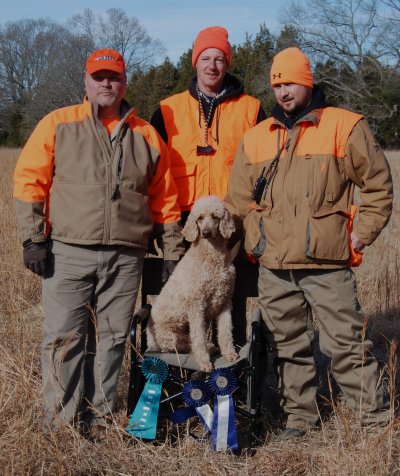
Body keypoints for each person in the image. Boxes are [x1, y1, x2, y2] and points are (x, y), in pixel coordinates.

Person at [13, 48, 184, 439]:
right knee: (63, 338)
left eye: (114, 77)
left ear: (125, 82)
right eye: (99, 76)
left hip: (127, 255)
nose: (106, 83)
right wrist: (33, 238)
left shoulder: (146, 135)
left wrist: (172, 250)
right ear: (86, 81)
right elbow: (28, 182)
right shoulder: (58, 124)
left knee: (112, 340)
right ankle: (59, 426)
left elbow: (165, 197)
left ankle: (100, 421)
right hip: (68, 252)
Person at [225, 47, 393, 438]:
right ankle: (300, 420)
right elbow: (238, 201)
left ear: (308, 81)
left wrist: (361, 232)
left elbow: (378, 187)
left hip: (327, 264)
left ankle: (375, 422)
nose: (283, 91)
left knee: (347, 346)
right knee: (288, 347)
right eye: (277, 84)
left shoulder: (344, 126)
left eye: (291, 83)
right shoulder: (257, 137)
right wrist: (256, 239)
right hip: (274, 267)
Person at [151, 25, 266, 225]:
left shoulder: (252, 109)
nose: (211, 66)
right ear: (195, 63)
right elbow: (152, 172)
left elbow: (266, 169)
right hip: (182, 219)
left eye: (219, 59)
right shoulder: (167, 110)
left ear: (227, 64)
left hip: (234, 218)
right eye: (205, 59)